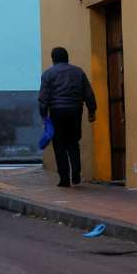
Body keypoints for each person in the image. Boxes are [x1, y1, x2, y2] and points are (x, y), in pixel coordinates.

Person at [38, 46, 97, 187]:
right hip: (76, 110)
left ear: (53, 59)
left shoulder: (48, 74)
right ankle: (76, 173)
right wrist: (91, 110)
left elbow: (43, 97)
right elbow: (88, 93)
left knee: (59, 145)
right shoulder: (78, 72)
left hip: (57, 112)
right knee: (73, 142)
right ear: (67, 57)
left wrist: (44, 115)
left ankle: (64, 178)